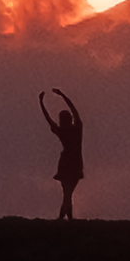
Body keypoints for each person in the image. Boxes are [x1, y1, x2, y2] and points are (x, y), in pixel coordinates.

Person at [39, 88, 84, 219]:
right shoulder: (77, 129)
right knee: (68, 193)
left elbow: (48, 118)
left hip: (66, 163)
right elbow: (74, 110)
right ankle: (66, 218)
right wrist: (63, 95)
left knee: (67, 193)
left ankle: (62, 217)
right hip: (75, 163)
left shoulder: (62, 131)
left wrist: (41, 102)